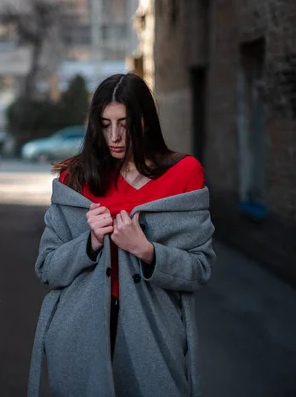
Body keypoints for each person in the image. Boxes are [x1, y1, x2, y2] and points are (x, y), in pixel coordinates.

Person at [28, 73, 216, 397]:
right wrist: (89, 244)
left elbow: (198, 270)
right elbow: (47, 268)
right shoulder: (74, 177)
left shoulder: (183, 174)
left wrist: (147, 251)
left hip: (153, 335)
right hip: (79, 338)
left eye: (124, 124)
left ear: (144, 121)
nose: (114, 136)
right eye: (104, 124)